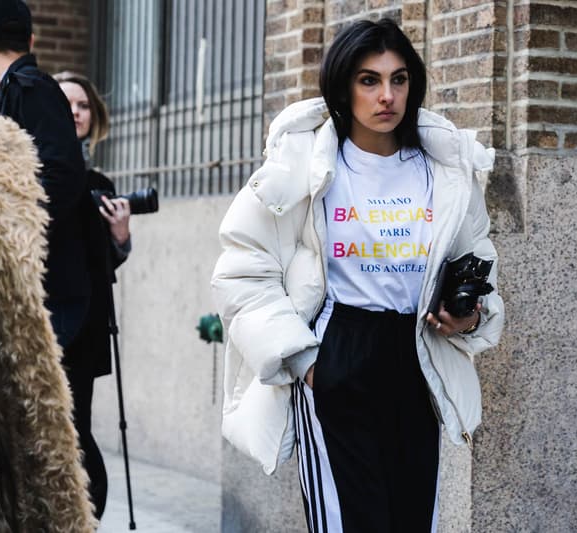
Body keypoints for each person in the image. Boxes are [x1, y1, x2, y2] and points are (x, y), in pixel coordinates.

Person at [212, 18, 504, 533]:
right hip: (339, 347)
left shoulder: (443, 169)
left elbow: (478, 261)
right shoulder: (302, 166)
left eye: (399, 79)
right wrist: (307, 362)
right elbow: (243, 271)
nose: (386, 95)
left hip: (416, 352)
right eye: (369, 80)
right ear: (344, 85)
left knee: (413, 519)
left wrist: (471, 316)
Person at [0, 0, 107, 519]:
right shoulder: (11, 92)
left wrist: (8, 225)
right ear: (30, 40)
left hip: (61, 305)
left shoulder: (30, 89)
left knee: (66, 440)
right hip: (46, 299)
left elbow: (60, 177)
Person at [54, 71, 133, 520]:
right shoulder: (36, 174)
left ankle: (85, 518)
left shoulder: (98, 180)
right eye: (65, 104)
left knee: (77, 427)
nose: (76, 112)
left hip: (85, 326)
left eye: (83, 105)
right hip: (43, 324)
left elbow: (102, 262)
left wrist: (120, 237)